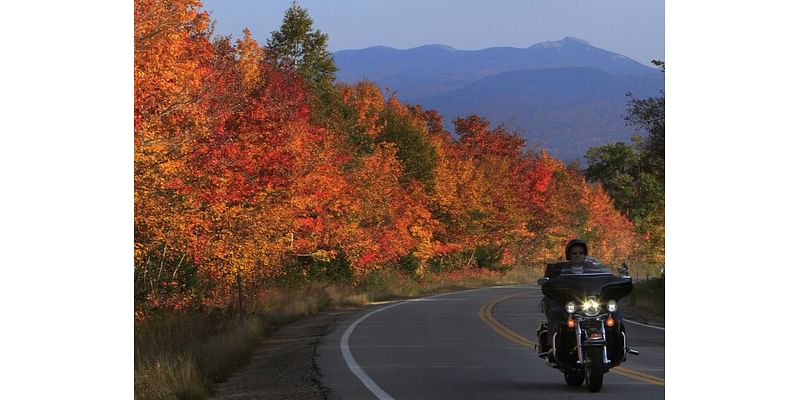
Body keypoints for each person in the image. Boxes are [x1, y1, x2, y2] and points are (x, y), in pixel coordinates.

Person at [541, 239, 612, 356]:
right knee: (554, 313)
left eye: (581, 253)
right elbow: (552, 283)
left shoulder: (594, 268)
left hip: (590, 301)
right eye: (574, 253)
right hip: (568, 302)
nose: (578, 256)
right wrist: (550, 284)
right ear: (569, 255)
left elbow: (605, 280)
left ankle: (618, 347)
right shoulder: (562, 269)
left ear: (585, 254)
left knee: (614, 314)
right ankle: (550, 347)